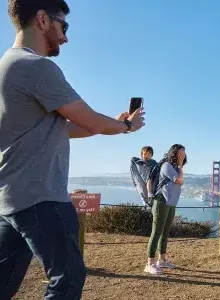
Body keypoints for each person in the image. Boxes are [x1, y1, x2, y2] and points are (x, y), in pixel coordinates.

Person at [0, 1, 145, 299]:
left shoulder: (7, 67)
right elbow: (87, 118)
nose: (65, 37)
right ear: (42, 19)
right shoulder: (35, 66)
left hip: (11, 200)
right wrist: (127, 127)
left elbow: (69, 127)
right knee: (67, 279)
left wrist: (111, 125)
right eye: (63, 26)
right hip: (42, 197)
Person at [145, 144, 187, 275]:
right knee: (156, 232)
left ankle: (162, 260)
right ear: (174, 154)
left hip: (171, 203)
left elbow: (179, 181)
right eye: (180, 153)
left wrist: (180, 165)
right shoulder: (167, 166)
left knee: (165, 232)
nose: (183, 155)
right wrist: (180, 164)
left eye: (184, 153)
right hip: (161, 201)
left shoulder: (175, 167)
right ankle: (149, 264)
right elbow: (179, 180)